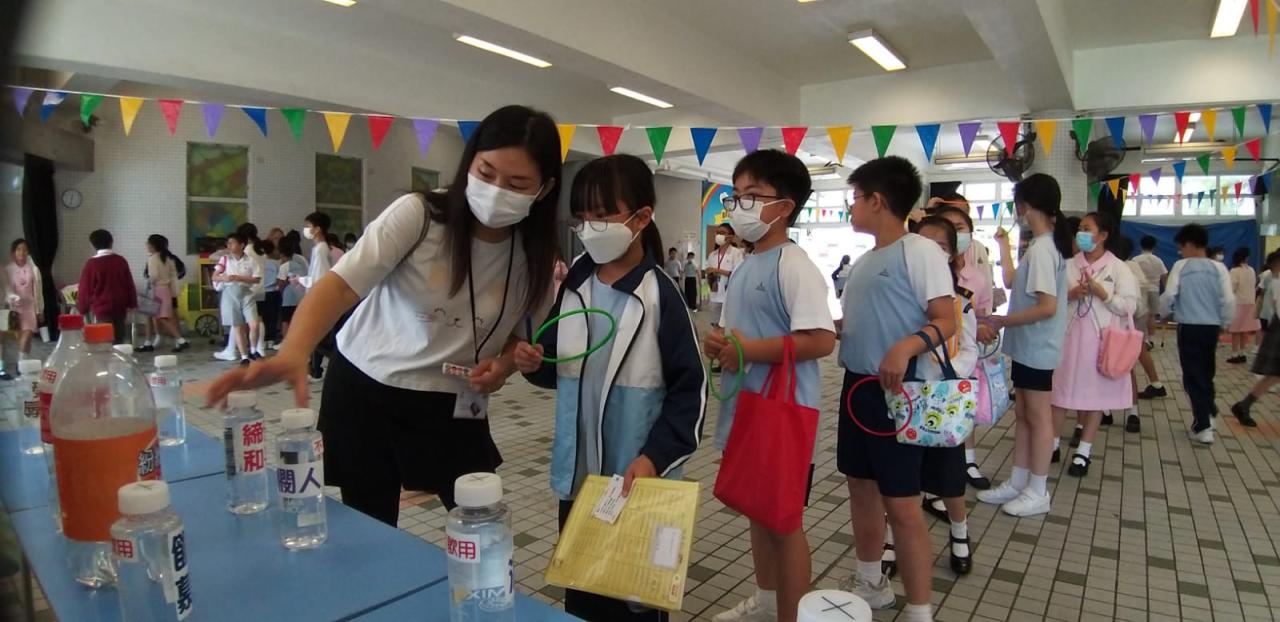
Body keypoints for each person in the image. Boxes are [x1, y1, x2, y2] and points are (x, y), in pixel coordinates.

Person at [207, 105, 563, 524]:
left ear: (544, 189)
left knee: (482, 518)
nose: (496, 190)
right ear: (469, 163)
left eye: (517, 183)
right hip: (368, 386)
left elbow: (517, 334)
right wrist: (292, 353)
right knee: (370, 524)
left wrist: (503, 365)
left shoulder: (536, 256)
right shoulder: (420, 215)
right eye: (486, 173)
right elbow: (341, 286)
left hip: (455, 400)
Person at [514, 154, 705, 622]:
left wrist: (654, 457)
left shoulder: (661, 296)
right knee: (582, 591)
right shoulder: (576, 283)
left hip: (636, 479)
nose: (590, 229)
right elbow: (555, 363)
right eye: (582, 218)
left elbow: (690, 393)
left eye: (602, 216)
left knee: (636, 602)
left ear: (641, 218)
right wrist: (533, 363)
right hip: (580, 481)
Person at [706, 150, 834, 622]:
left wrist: (747, 351)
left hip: (783, 412)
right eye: (736, 195)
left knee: (784, 521)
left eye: (752, 195)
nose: (739, 205)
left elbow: (821, 340)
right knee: (757, 510)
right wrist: (719, 345)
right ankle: (765, 601)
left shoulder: (794, 265)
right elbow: (737, 336)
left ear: (784, 206)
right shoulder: (745, 264)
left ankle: (792, 615)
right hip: (746, 408)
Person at [833, 156, 952, 622]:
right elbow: (862, 321)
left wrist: (905, 347)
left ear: (877, 201)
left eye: (855, 198)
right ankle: (871, 583)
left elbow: (946, 319)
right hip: (856, 387)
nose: (852, 207)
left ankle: (920, 609)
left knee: (902, 504)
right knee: (861, 488)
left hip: (898, 392)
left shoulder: (918, 251)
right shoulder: (865, 261)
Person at [975, 173, 1070, 517]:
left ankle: (1038, 489)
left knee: (1039, 417)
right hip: (1030, 346)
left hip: (1038, 347)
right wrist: (1003, 245)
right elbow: (1013, 281)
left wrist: (1002, 321)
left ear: (1025, 206)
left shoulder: (1045, 248)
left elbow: (1047, 307)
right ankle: (1019, 481)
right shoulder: (1042, 245)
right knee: (1025, 414)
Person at [912, 215, 979, 576]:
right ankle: (892, 540)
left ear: (953, 256)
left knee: (951, 477)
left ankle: (959, 531)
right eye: (923, 245)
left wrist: (948, 371)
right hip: (906, 397)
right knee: (900, 477)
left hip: (944, 398)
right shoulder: (903, 296)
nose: (931, 253)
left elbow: (970, 349)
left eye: (940, 247)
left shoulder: (960, 302)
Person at [1052, 212, 1138, 478]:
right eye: (1080, 228)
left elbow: (1130, 307)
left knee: (1095, 397)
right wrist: (1070, 295)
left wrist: (1104, 294)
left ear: (1103, 235)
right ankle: (1052, 443)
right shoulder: (1068, 265)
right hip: (1068, 340)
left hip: (1101, 342)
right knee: (1059, 393)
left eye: (1087, 228)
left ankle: (1083, 452)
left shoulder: (1119, 268)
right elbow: (1051, 301)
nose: (1081, 233)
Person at [932, 205, 994, 490]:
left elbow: (982, 316)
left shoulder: (976, 278)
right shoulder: (922, 271)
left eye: (960, 228)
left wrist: (981, 328)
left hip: (959, 364)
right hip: (925, 367)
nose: (955, 234)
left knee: (959, 415)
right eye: (948, 227)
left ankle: (967, 461)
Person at [1160, 224, 1234, 444]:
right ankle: (1209, 413)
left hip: (1189, 326)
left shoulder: (1181, 266)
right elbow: (1228, 300)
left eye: (1181, 247)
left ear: (1190, 245)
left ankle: (1203, 426)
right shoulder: (1219, 268)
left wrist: (1164, 313)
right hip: (1211, 327)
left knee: (1193, 375)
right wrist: (1225, 322)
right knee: (1206, 372)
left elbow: (1169, 295)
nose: (1180, 252)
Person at [1232, 251, 1280, 426]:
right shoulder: (1276, 282)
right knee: (1274, 374)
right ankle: (1244, 405)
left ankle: (1244, 405)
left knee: (1274, 374)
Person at [1117, 237, 1156, 432]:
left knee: (1112, 369)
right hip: (1127, 327)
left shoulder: (1119, 270)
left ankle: (1107, 411)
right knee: (1127, 369)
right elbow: (1140, 306)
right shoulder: (1131, 268)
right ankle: (1132, 413)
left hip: (1114, 330)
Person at [77, 229, 136, 345]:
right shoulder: (120, 261)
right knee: (119, 336)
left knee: (104, 338)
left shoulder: (91, 264)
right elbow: (129, 283)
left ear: (93, 244)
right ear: (111, 242)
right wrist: (132, 303)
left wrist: (83, 307)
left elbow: (85, 288)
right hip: (120, 305)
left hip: (101, 307)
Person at [212, 232, 263, 366]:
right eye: (228, 243)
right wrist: (224, 278)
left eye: (232, 243)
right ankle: (244, 356)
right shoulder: (225, 259)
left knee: (254, 324)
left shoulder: (250, 260)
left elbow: (257, 279)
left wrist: (239, 278)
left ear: (242, 245)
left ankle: (253, 350)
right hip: (230, 293)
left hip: (246, 293)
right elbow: (214, 276)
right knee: (237, 327)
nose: (229, 245)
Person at [294, 212, 334, 379]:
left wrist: (300, 280)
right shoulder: (320, 248)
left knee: (314, 336)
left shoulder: (321, 249)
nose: (306, 230)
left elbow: (320, 277)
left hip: (319, 298)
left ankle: (319, 366)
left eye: (308, 226)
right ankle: (314, 368)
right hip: (317, 297)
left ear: (317, 229)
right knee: (316, 335)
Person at [137, 234, 189, 353]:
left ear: (153, 246)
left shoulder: (153, 258)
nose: (146, 245)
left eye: (148, 243)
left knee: (161, 317)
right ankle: (150, 342)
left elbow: (153, 276)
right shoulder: (167, 258)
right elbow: (175, 274)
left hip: (156, 290)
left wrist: (149, 283)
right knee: (158, 316)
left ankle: (180, 340)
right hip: (167, 290)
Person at [5, 239, 43, 364]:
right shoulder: (9, 269)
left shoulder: (34, 269)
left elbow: (38, 291)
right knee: (22, 338)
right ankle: (24, 363)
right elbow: (6, 289)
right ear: (14, 252)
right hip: (15, 309)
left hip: (30, 308)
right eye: (19, 249)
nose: (22, 252)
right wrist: (11, 297)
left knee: (27, 335)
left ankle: (20, 363)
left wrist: (40, 310)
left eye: (25, 250)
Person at [1131, 235, 1169, 351]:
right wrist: (1167, 289)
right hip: (1154, 290)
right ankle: (1150, 340)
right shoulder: (1158, 260)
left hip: (1139, 291)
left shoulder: (1135, 260)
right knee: (1151, 316)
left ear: (1141, 245)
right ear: (1154, 247)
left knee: (1138, 316)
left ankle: (1138, 339)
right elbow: (1164, 275)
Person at [705, 222, 744, 329]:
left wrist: (717, 270)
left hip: (729, 295)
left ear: (731, 236)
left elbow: (738, 274)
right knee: (715, 325)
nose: (719, 235)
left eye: (722, 233)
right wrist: (711, 278)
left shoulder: (736, 253)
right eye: (718, 233)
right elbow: (708, 272)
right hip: (715, 294)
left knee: (727, 326)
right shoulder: (712, 255)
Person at [1227, 247, 1260, 364]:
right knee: (1243, 330)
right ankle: (1242, 352)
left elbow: (1232, 287)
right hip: (1250, 303)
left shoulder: (1234, 271)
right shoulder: (1251, 270)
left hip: (1238, 303)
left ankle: (1234, 354)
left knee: (1235, 330)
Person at [275, 235, 308, 348]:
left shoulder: (284, 266)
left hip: (288, 297)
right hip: (301, 295)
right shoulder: (299, 263)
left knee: (286, 320)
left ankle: (286, 342)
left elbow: (280, 282)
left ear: (281, 253)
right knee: (297, 319)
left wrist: (281, 289)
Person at [255, 239, 282, 351]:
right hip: (273, 292)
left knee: (261, 316)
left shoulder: (258, 263)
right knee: (272, 316)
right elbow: (279, 278)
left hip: (260, 291)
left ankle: (261, 340)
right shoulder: (276, 263)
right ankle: (271, 339)